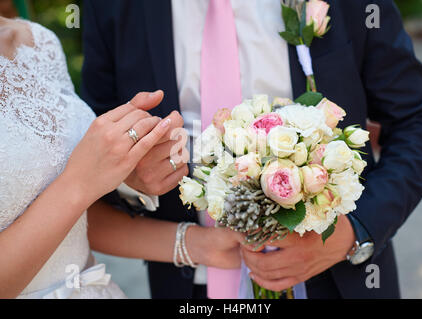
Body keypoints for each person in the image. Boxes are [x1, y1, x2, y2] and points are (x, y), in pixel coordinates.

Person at [82, 0, 422, 299]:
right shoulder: (111, 7)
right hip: (187, 284)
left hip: (337, 279)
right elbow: (98, 140)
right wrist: (131, 178)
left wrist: (351, 233)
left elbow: (416, 124)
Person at [0, 16, 243, 299]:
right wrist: (82, 180)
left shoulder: (38, 41)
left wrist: (202, 245)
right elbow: (76, 187)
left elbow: (73, 220)